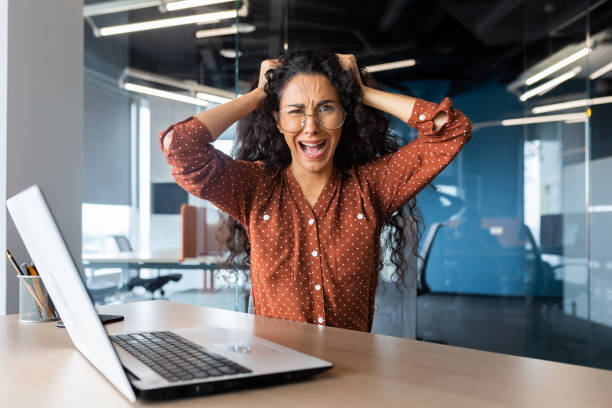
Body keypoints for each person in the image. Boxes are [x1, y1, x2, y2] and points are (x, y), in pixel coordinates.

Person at [160, 50, 471, 332]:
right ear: (278, 121)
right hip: (277, 373)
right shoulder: (253, 189)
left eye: (326, 108)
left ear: (345, 117)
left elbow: (451, 129)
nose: (311, 127)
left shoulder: (373, 187)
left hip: (352, 374)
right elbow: (180, 146)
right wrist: (258, 95)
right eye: (295, 111)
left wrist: (361, 92)